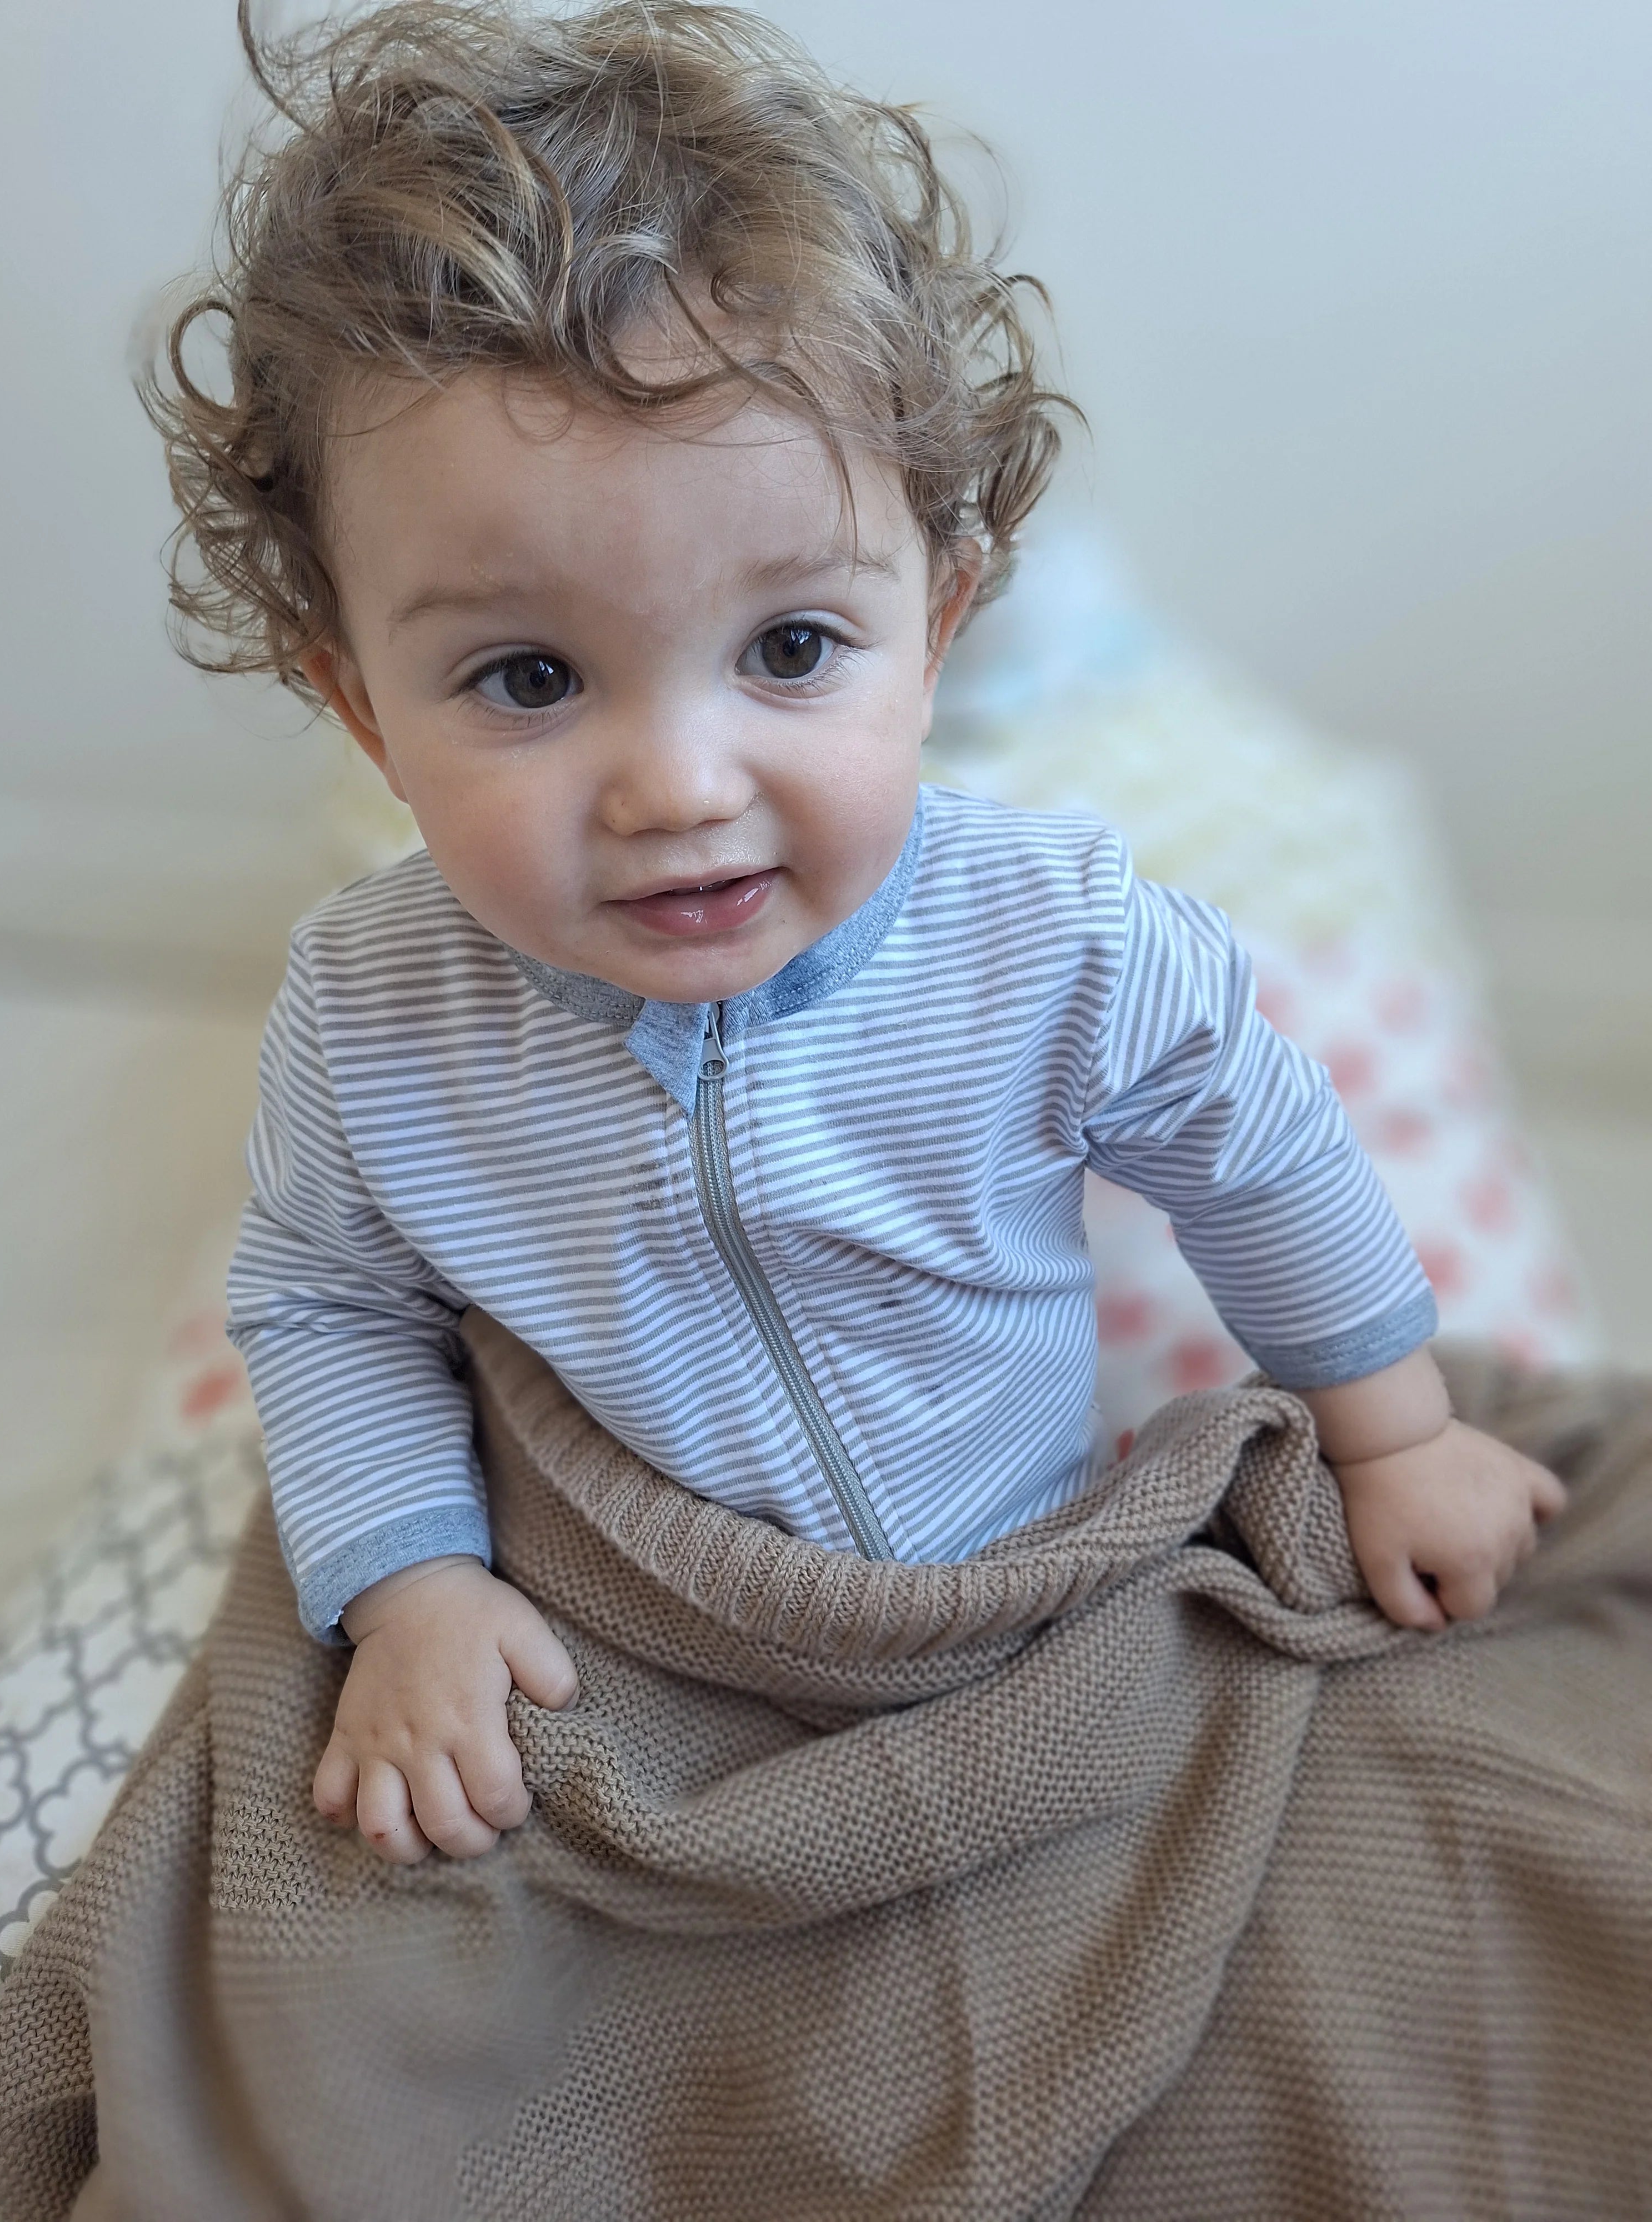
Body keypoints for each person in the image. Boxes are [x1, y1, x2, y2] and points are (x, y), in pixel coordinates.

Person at [148, 0, 1563, 1871]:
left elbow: (1259, 1146)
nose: (679, 786)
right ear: (359, 708)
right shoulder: (368, 1014)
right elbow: (332, 1305)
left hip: (1029, 1571)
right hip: (642, 1629)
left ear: (939, 625)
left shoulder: (1052, 936)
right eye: (529, 678)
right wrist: (411, 1587)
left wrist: (1394, 1437)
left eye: (793, 647)